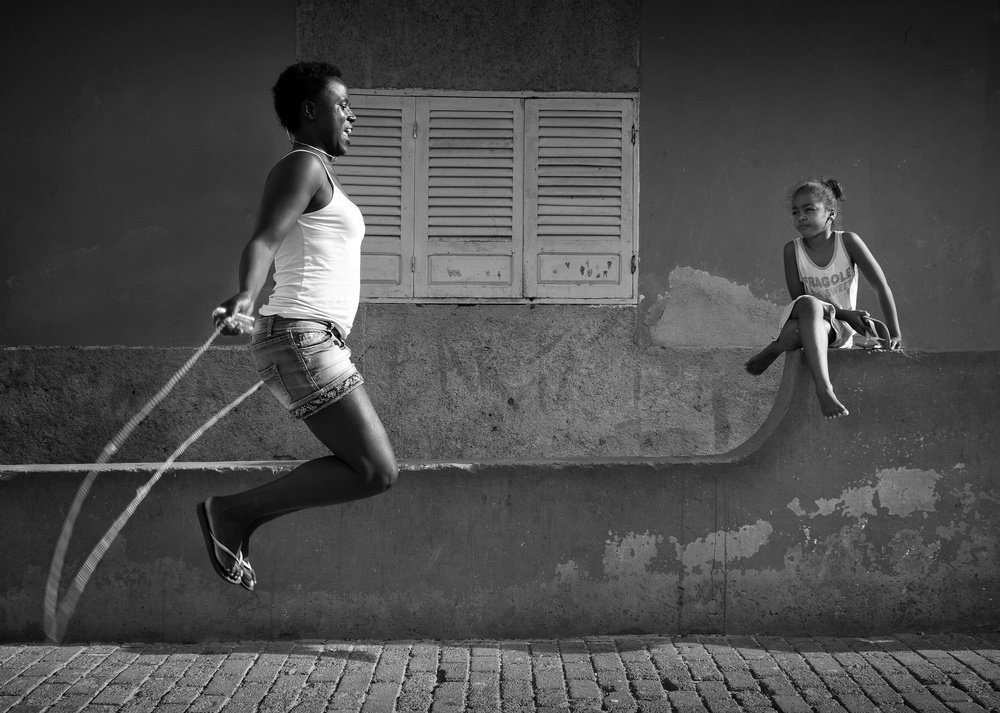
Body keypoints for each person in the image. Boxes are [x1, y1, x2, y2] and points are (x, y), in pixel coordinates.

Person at [197, 62, 398, 590]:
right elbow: (264, 239)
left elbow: (281, 246)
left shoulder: (318, 172)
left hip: (309, 336)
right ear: (310, 110)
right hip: (301, 334)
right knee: (376, 470)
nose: (352, 115)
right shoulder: (303, 166)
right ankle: (231, 514)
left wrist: (250, 299)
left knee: (373, 472)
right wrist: (246, 295)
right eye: (342, 105)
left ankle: (235, 518)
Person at [744, 179, 902, 419]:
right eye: (795, 212)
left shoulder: (848, 242)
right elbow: (798, 298)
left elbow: (881, 287)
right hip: (810, 313)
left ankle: (779, 345)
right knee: (809, 303)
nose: (801, 217)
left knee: (795, 331)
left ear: (830, 213)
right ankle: (824, 388)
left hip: (837, 329)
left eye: (809, 209)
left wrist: (895, 333)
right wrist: (845, 313)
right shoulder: (792, 250)